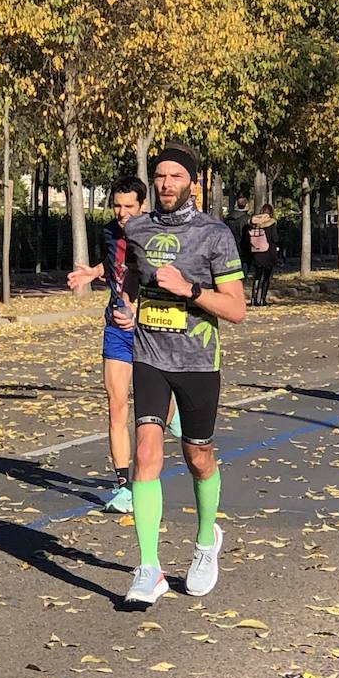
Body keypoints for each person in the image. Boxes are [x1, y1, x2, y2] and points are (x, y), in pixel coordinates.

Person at [111, 143, 245, 606]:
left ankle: (206, 541)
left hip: (197, 362)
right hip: (150, 355)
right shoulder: (139, 227)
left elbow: (236, 309)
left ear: (192, 182)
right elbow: (131, 273)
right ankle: (149, 568)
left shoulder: (215, 234)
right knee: (146, 453)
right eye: (160, 176)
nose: (167, 184)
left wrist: (190, 290)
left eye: (175, 177)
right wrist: (126, 305)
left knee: (198, 457)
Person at [67, 176, 153, 513]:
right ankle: (123, 486)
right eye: (117, 205)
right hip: (116, 327)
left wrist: (135, 308)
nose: (121, 212)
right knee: (117, 404)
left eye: (129, 206)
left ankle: (172, 414)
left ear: (142, 206)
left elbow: (143, 274)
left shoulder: (158, 235)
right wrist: (93, 273)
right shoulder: (109, 232)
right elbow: (115, 264)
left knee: (152, 412)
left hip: (151, 329)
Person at [246, 202, 278, 306]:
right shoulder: (272, 223)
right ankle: (262, 299)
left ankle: (253, 298)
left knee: (257, 276)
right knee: (266, 277)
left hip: (256, 252)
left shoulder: (255, 223)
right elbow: (275, 238)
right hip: (268, 253)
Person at [225, 197, 252, 278]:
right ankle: (244, 277)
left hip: (231, 243)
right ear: (246, 205)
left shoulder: (229, 218)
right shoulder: (247, 219)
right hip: (244, 243)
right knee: (244, 261)